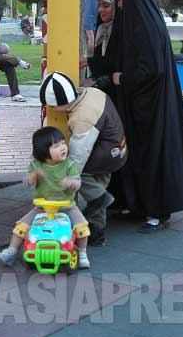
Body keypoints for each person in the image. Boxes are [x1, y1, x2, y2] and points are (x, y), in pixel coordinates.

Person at [109, 0, 183, 233]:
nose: (119, 3)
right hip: (141, 105)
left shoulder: (145, 27)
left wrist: (122, 78)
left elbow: (152, 70)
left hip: (151, 108)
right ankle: (139, 205)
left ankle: (157, 211)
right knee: (139, 154)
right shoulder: (140, 22)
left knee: (153, 156)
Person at [39, 72, 127, 246]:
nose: (51, 109)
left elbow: (79, 155)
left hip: (106, 154)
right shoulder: (92, 93)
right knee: (99, 183)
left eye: (51, 106)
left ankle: (102, 198)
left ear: (61, 103)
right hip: (118, 148)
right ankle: (97, 232)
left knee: (81, 175)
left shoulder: (82, 117)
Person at [0, 126, 91, 268]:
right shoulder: (36, 165)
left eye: (63, 143)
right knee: (21, 226)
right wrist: (34, 176)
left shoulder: (68, 164)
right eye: (57, 146)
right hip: (42, 207)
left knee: (82, 227)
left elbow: (78, 183)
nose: (63, 147)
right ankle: (11, 251)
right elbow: (26, 183)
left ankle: (82, 254)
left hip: (67, 207)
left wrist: (72, 183)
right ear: (44, 152)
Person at [84, 0, 120, 99]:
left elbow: (113, 62)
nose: (100, 10)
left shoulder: (120, 31)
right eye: (99, 5)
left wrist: (87, 62)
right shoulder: (101, 28)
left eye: (106, 6)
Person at [81, 0, 121, 64]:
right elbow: (88, 15)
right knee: (90, 62)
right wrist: (91, 38)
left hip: (92, 31)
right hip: (89, 32)